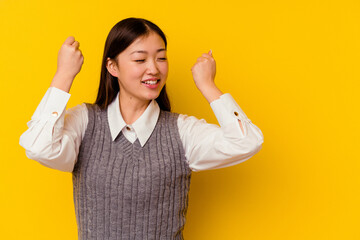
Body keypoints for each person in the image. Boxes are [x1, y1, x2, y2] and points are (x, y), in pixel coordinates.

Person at [19, 17, 264, 240]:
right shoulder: (85, 122)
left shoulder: (181, 132)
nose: (154, 69)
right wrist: (64, 75)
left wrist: (208, 86)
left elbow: (247, 142)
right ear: (112, 67)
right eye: (140, 59)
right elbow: (39, 149)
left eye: (161, 57)